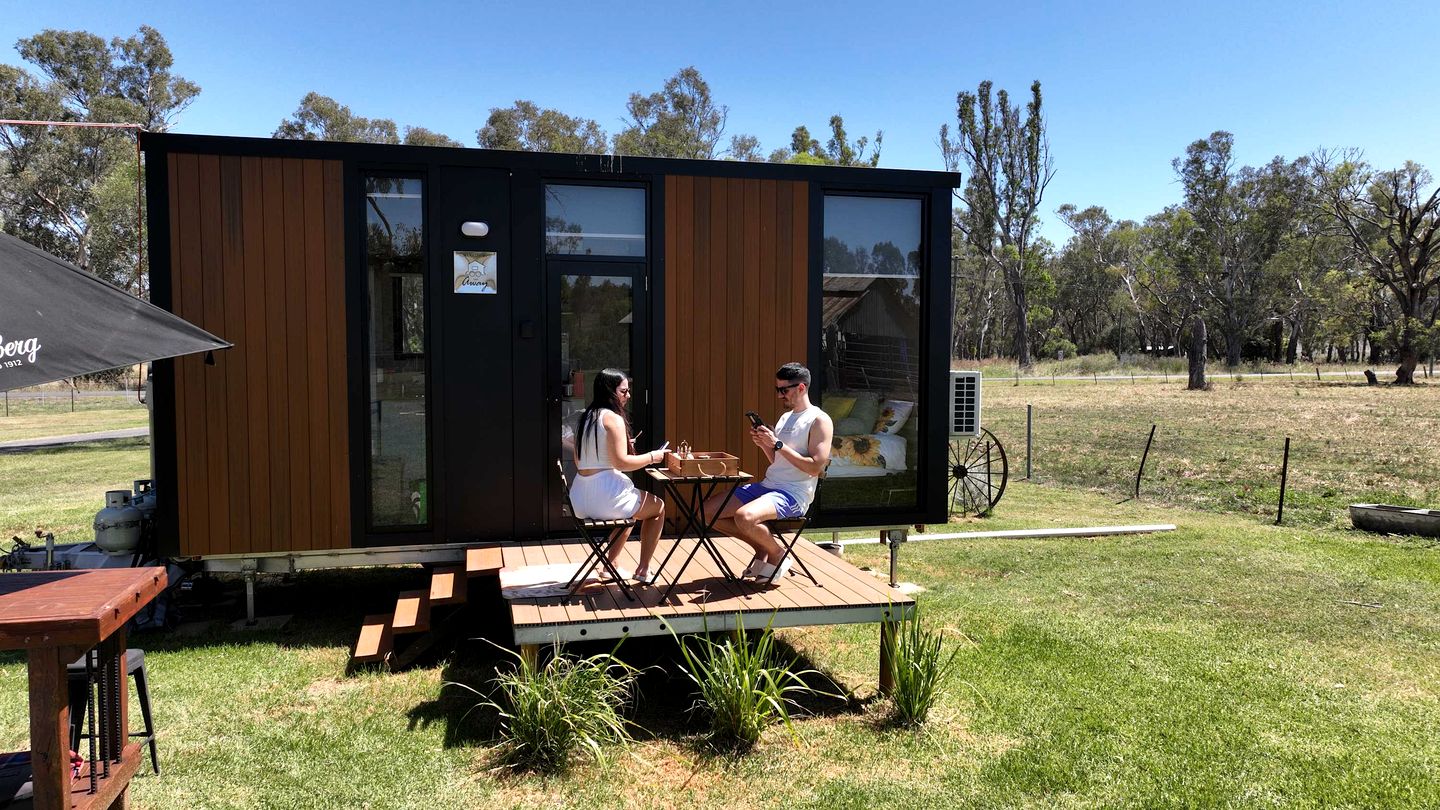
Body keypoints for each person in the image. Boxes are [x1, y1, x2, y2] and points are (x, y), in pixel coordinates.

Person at [708, 362, 833, 582]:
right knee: (706, 513)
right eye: (777, 390)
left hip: (794, 493)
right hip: (769, 485)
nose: (779, 396)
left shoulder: (819, 420)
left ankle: (777, 554)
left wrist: (777, 444)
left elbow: (815, 467)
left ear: (801, 388)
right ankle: (762, 547)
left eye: (783, 390)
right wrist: (764, 444)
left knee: (744, 516)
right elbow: (778, 459)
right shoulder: (786, 417)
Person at [570, 368, 668, 582]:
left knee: (630, 512)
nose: (628, 396)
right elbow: (622, 463)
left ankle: (609, 564)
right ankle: (643, 570)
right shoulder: (613, 419)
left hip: (579, 498)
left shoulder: (585, 417)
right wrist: (652, 456)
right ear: (610, 392)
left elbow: (580, 461)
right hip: (605, 497)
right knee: (658, 507)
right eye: (624, 391)